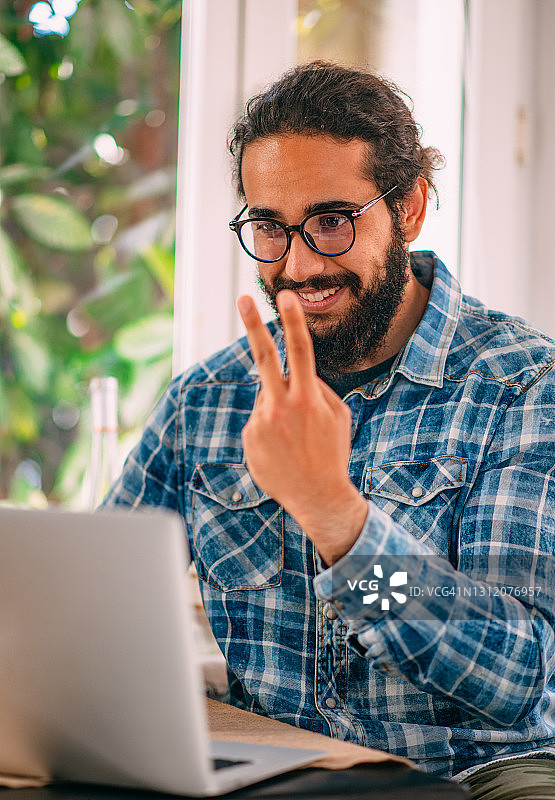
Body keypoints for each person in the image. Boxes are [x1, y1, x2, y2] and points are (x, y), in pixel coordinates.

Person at [102, 62, 555, 797]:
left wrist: (334, 517)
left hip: (477, 770)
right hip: (280, 765)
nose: (299, 262)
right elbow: (98, 608)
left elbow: (513, 679)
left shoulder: (525, 387)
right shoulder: (208, 400)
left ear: (408, 209)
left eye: (332, 220)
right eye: (268, 228)